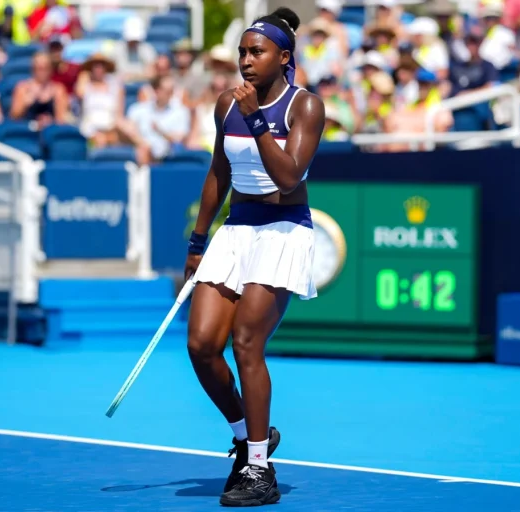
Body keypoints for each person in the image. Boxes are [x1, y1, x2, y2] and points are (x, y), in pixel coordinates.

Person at [184, 7, 325, 507]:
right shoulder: (227, 103)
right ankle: (247, 437)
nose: (245, 60)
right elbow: (218, 173)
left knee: (246, 343)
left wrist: (257, 120)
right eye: (242, 52)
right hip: (236, 229)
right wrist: (197, 242)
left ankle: (260, 471)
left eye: (256, 52)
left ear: (283, 58)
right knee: (202, 346)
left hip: (283, 231)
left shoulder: (305, 106)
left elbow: (289, 176)